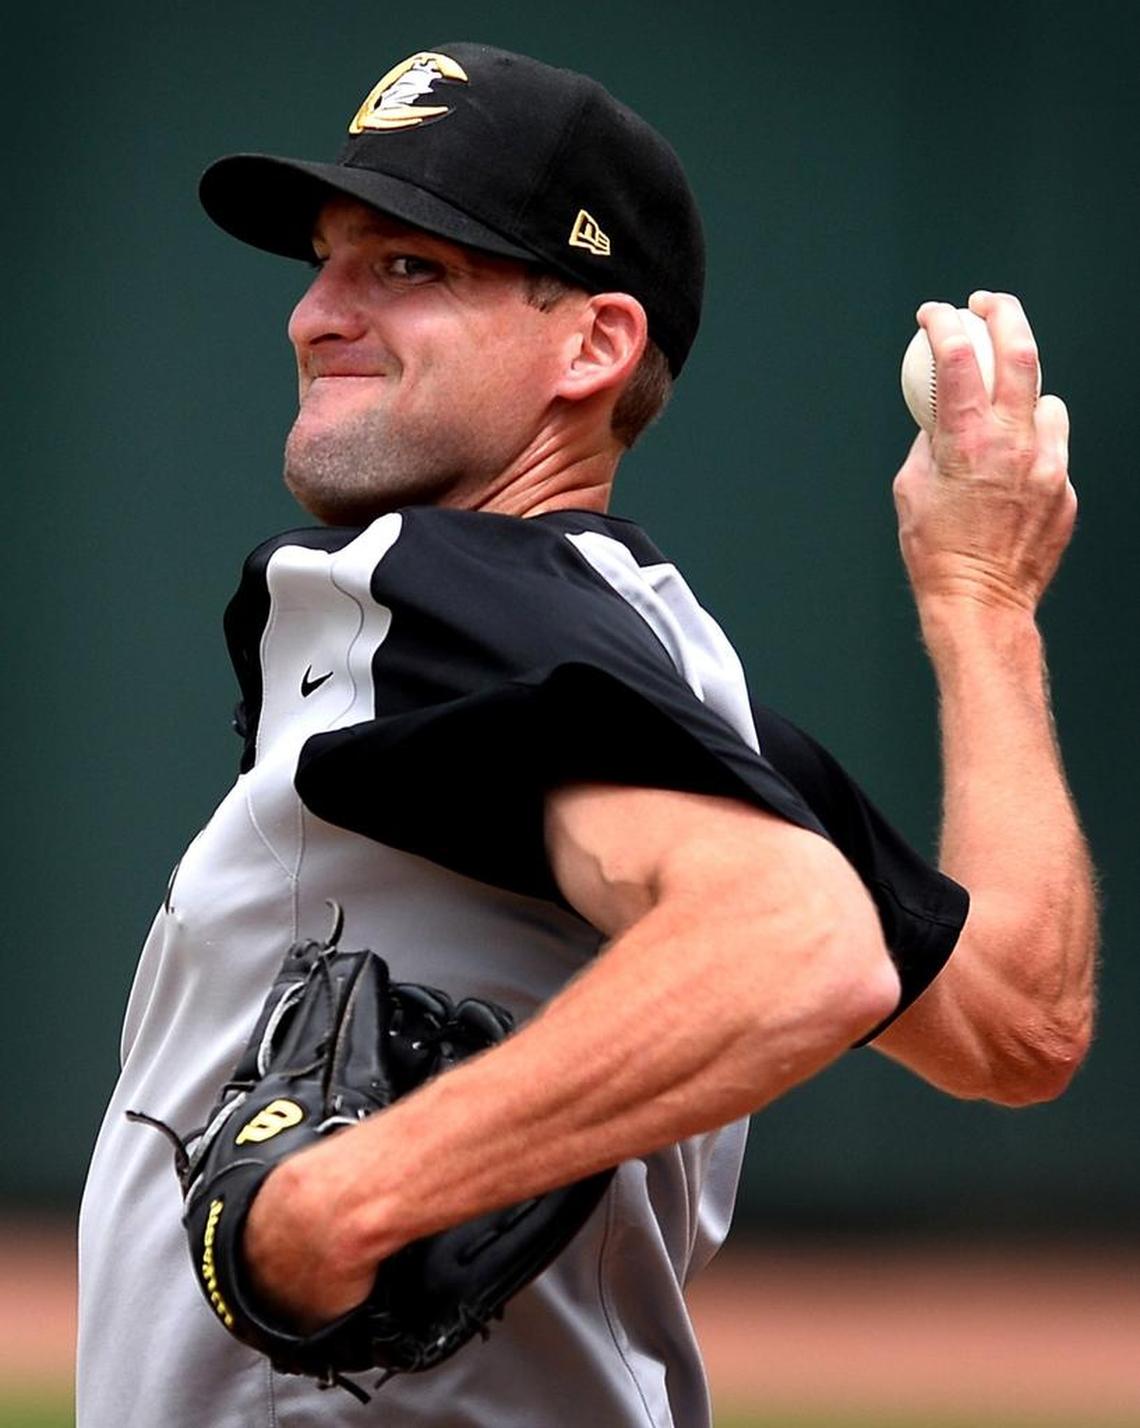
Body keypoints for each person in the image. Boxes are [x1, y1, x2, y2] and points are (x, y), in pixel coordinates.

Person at [76, 41, 1097, 1428]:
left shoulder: (424, 586)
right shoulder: (677, 688)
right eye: (323, 261)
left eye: (406, 267)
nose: (317, 313)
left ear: (596, 344)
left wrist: (334, 1207)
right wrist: (983, 606)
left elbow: (795, 942)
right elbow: (1020, 1019)